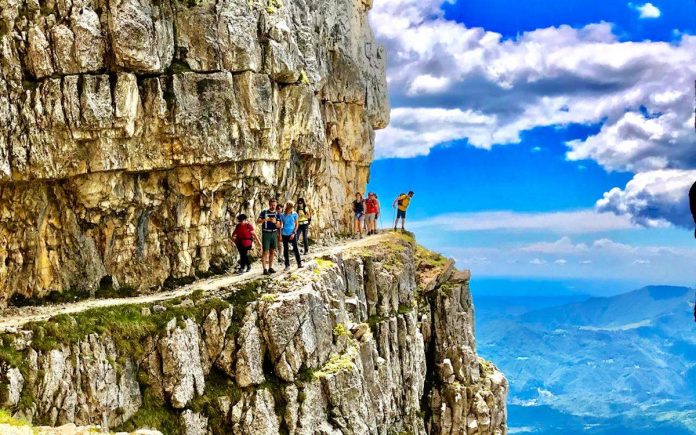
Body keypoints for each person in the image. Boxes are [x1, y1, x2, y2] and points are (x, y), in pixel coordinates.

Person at [257, 198, 282, 275]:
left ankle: (270, 267)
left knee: (272, 251)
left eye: (274, 205)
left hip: (274, 233)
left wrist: (275, 222)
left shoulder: (277, 214)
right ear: (269, 204)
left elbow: (279, 226)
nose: (273, 206)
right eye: (272, 205)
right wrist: (265, 220)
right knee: (265, 251)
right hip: (266, 233)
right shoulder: (264, 212)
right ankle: (264, 269)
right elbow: (258, 221)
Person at [280, 202, 303, 271]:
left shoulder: (295, 214)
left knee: (295, 248)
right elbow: (281, 226)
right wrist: (280, 235)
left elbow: (296, 224)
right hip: (284, 234)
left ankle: (299, 263)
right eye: (291, 207)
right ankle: (287, 265)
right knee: (286, 249)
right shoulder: (282, 215)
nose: (292, 208)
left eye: (292, 207)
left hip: (292, 233)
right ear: (287, 207)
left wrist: (293, 233)